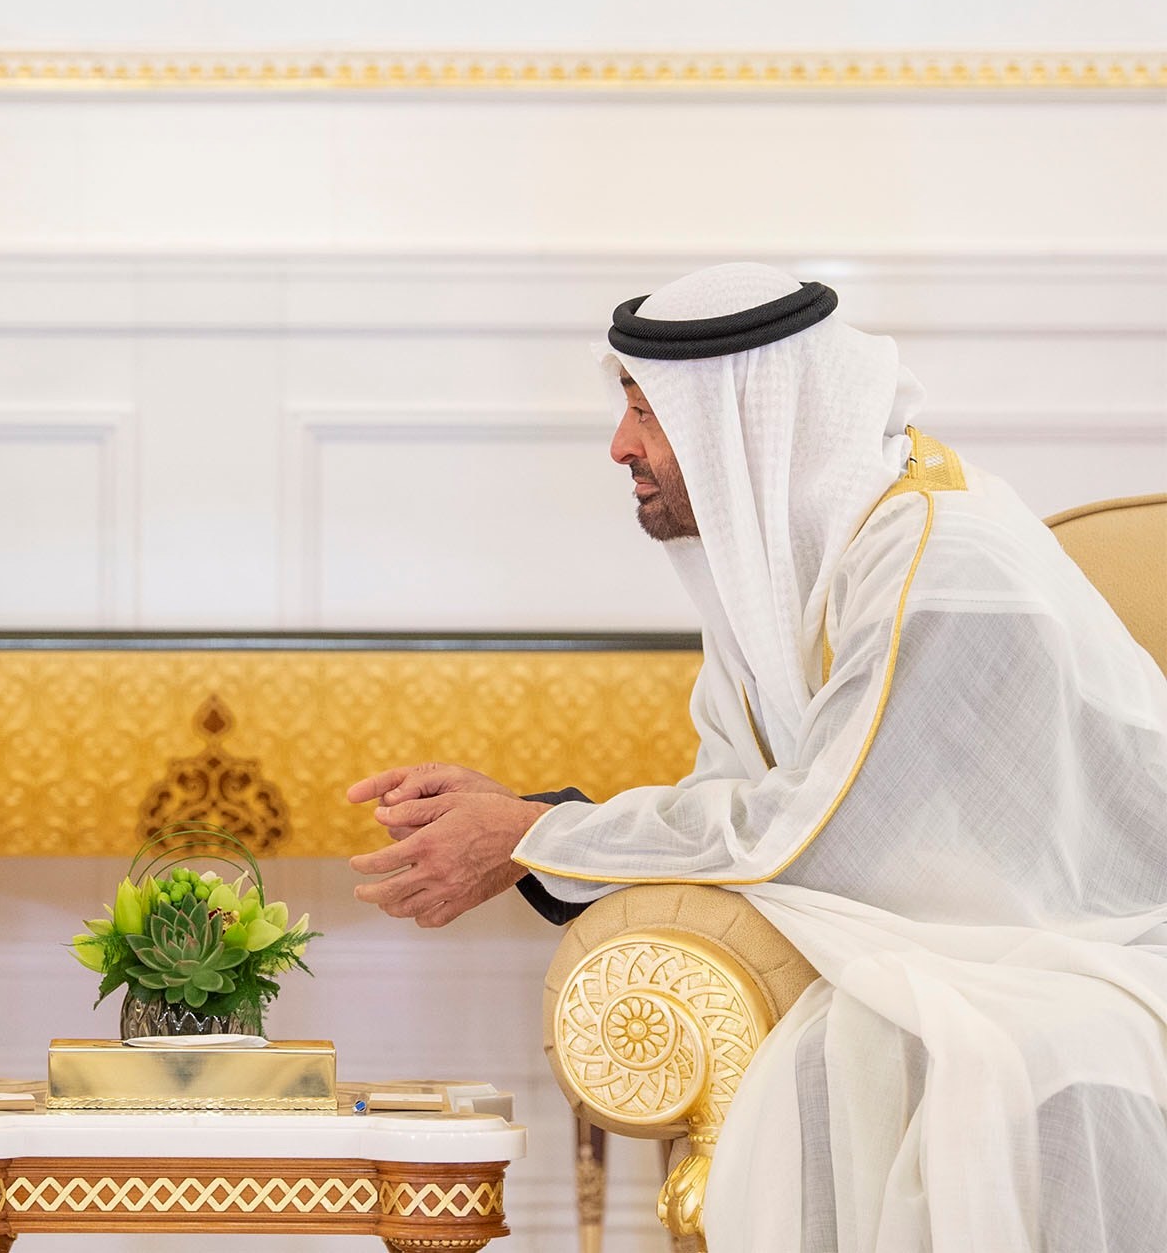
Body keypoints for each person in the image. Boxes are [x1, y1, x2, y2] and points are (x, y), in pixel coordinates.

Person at [347, 263, 1167, 1251]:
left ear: (738, 426)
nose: (619, 448)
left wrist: (532, 833)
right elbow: (744, 802)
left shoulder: (944, 563)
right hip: (970, 936)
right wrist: (532, 817)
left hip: (1094, 943)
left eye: (645, 414)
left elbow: (813, 825)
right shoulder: (808, 568)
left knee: (878, 1050)